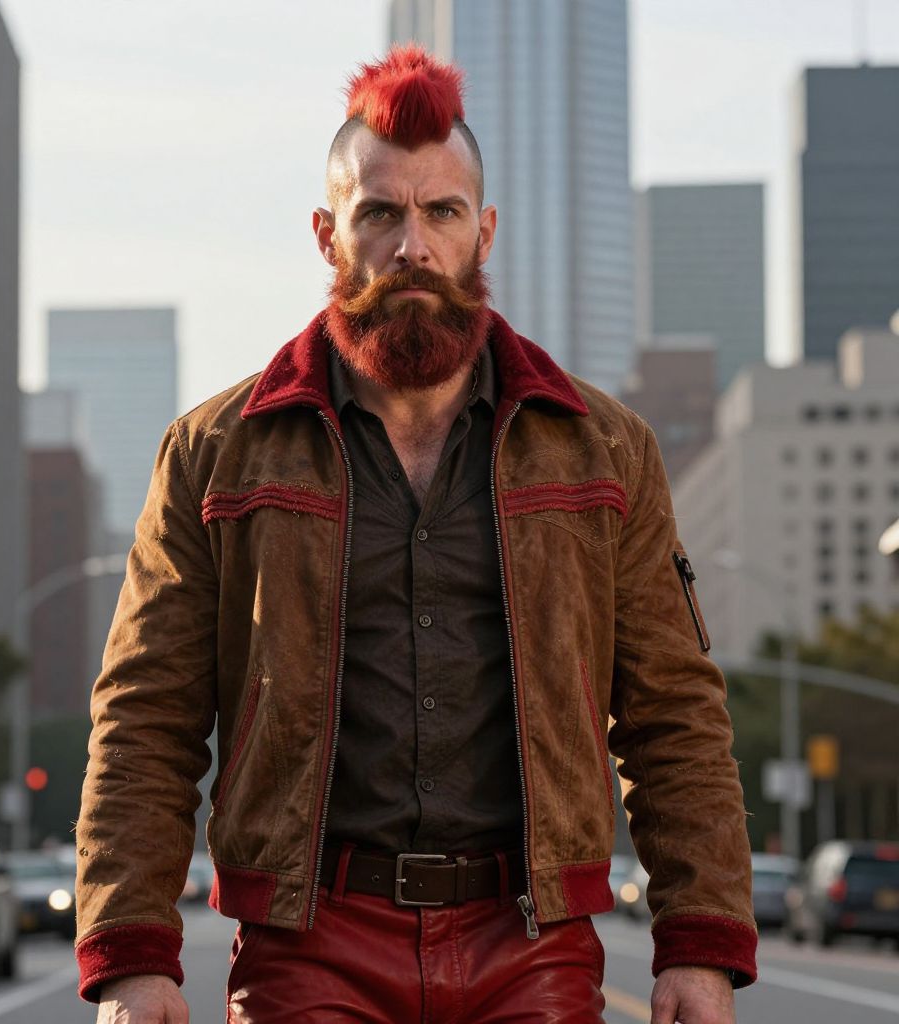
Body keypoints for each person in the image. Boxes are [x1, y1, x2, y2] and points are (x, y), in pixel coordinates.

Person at [75, 45, 756, 1024]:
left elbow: (670, 714)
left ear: (482, 233)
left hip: (530, 943)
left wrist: (699, 941)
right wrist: (133, 957)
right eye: (379, 213)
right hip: (312, 944)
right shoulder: (214, 453)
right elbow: (145, 720)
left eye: (440, 213)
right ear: (327, 236)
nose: (412, 246)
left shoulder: (605, 449)